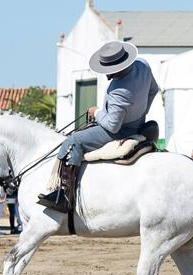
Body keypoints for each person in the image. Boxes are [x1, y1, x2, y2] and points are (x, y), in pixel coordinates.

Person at [38, 41, 159, 212]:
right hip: (138, 124)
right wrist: (141, 113)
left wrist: (96, 113)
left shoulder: (118, 89)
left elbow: (112, 125)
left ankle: (64, 197)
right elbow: (154, 90)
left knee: (74, 140)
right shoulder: (143, 65)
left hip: (119, 131)